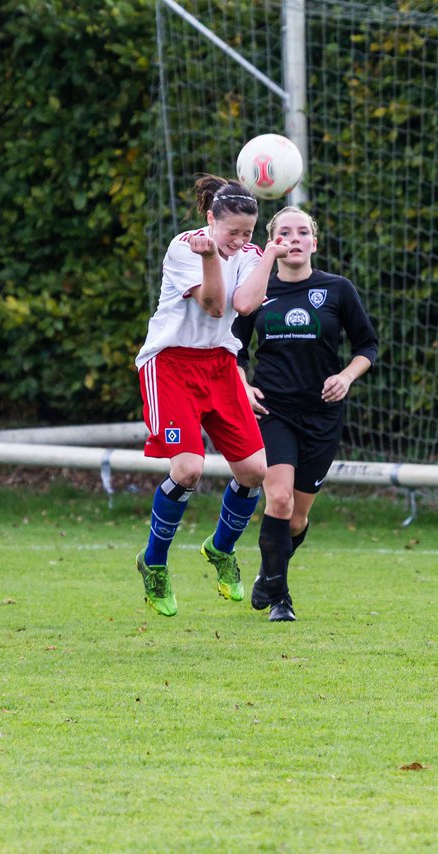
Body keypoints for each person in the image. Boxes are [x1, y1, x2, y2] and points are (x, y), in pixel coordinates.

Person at [134, 175, 288, 617]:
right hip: (170, 365)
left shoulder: (254, 254)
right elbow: (215, 305)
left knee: (255, 472)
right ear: (210, 220)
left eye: (248, 233)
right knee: (187, 469)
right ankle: (155, 562)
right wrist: (209, 260)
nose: (240, 241)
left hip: (219, 365)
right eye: (232, 232)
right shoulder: (186, 247)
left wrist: (269, 256)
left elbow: (244, 306)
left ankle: (219, 548)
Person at [234, 206, 378, 621]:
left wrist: (347, 376)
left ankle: (268, 574)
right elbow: (234, 349)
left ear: (314, 242)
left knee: (296, 519)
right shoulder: (258, 290)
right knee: (277, 499)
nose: (294, 239)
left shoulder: (337, 289)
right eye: (284, 233)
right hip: (273, 411)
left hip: (322, 415)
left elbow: (367, 346)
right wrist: (243, 387)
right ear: (272, 243)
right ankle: (281, 599)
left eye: (302, 232)